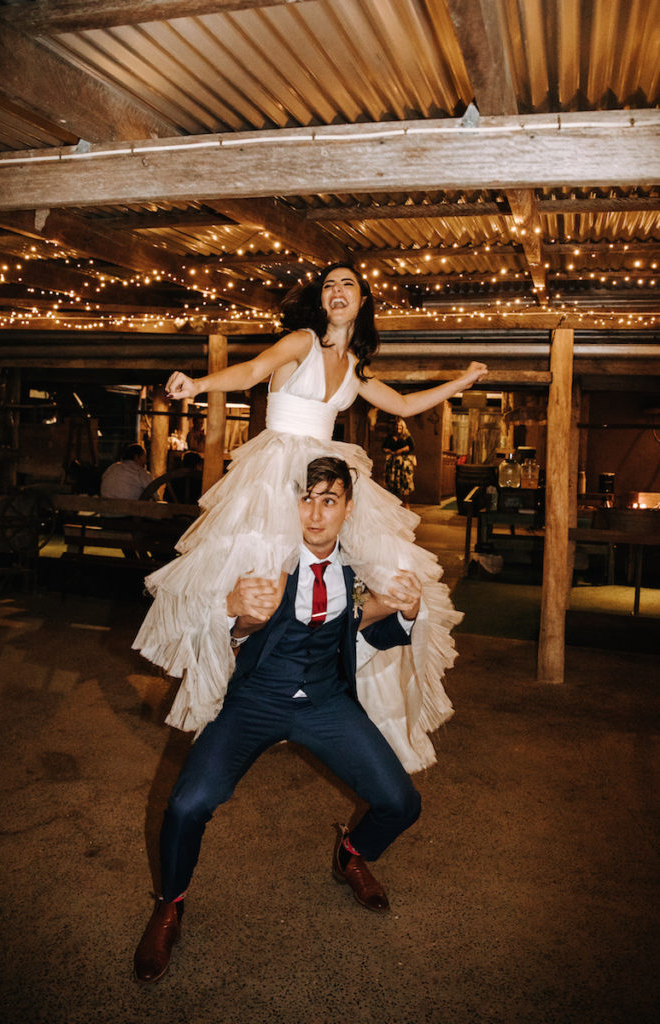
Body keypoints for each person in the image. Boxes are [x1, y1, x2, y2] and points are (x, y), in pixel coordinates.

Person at [133, 263, 487, 774]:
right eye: (329, 285)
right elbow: (254, 371)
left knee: (354, 570)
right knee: (260, 585)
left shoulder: (356, 366)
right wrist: (199, 384)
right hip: (278, 472)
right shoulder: (302, 340)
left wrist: (466, 379)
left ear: (362, 301)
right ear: (321, 301)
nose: (337, 292)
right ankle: (238, 694)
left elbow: (406, 406)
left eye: (348, 285)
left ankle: (340, 670)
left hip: (324, 472)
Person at [134, 457, 425, 983]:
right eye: (305, 498)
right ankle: (169, 905)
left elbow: (366, 625)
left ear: (348, 509)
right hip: (255, 700)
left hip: (327, 701)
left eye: (329, 500)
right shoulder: (262, 559)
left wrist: (405, 608)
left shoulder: (356, 569)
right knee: (186, 804)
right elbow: (209, 626)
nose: (315, 514)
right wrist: (233, 607)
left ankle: (351, 852)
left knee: (401, 803)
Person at [382, 416, 416, 506]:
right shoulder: (390, 437)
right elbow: (384, 448)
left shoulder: (407, 436)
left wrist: (401, 450)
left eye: (400, 426)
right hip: (392, 463)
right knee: (393, 483)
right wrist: (389, 451)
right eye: (397, 426)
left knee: (404, 483)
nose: (398, 428)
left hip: (403, 463)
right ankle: (395, 504)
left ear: (403, 427)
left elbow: (412, 447)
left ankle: (406, 503)